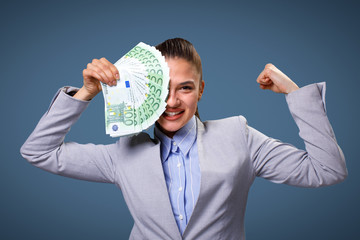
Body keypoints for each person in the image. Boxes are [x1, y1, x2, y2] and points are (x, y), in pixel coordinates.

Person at [20, 38, 347, 240]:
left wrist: (293, 92)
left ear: (200, 90)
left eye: (185, 88)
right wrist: (87, 93)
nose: (172, 101)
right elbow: (39, 151)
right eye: (161, 90)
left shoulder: (239, 137)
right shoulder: (124, 154)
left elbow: (327, 170)